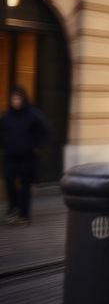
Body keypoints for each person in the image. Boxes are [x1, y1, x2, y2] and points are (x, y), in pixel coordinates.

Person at [0, 86, 50, 225]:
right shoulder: (6, 116)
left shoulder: (33, 114)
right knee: (9, 182)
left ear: (23, 99)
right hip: (10, 157)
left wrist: (38, 147)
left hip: (27, 157)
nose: (16, 101)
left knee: (25, 187)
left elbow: (45, 130)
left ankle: (24, 215)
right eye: (13, 98)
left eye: (18, 98)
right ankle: (13, 209)